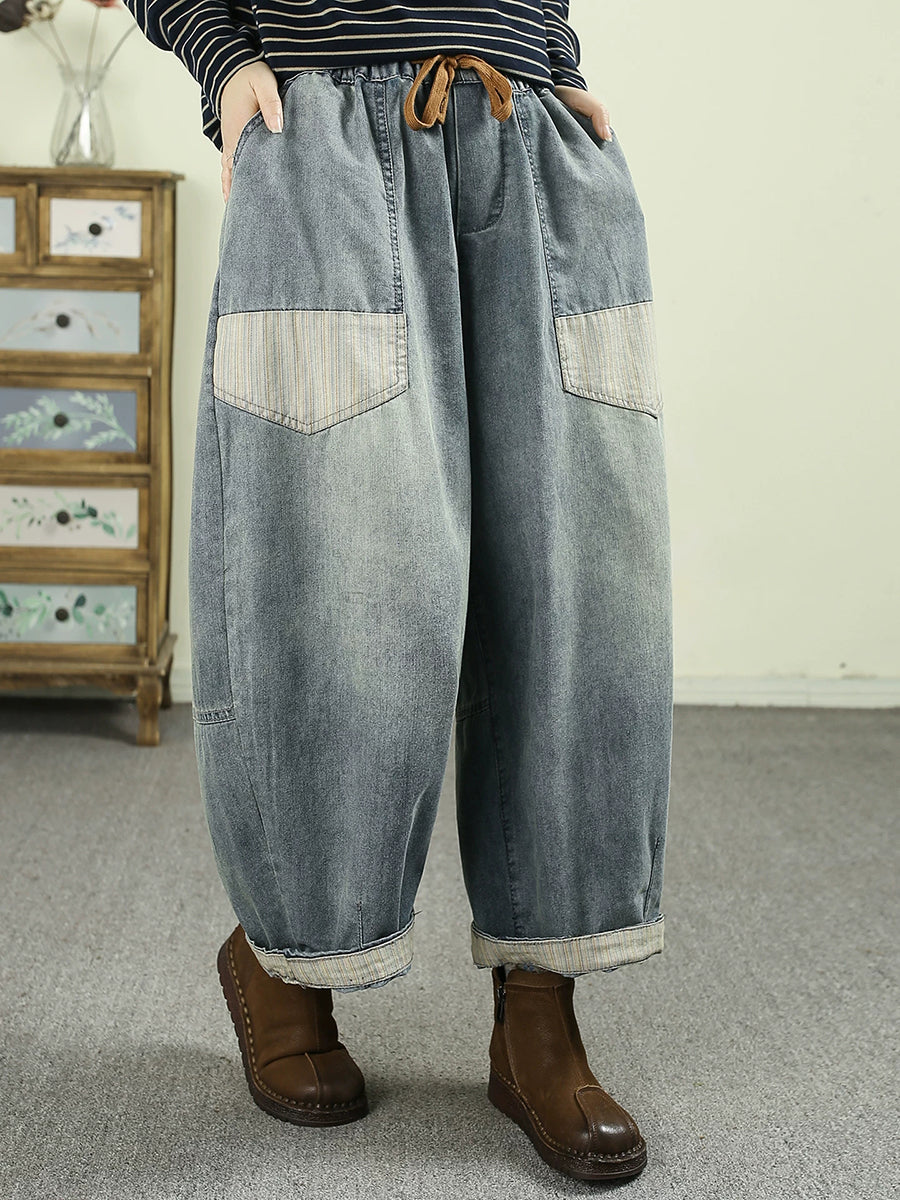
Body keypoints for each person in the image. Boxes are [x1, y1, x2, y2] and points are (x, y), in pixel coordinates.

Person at [122, 0, 673, 1183]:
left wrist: (555, 57)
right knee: (331, 580)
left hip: (531, 135)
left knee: (572, 592)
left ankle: (541, 1011)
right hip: (325, 131)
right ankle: (286, 960)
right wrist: (222, 57)